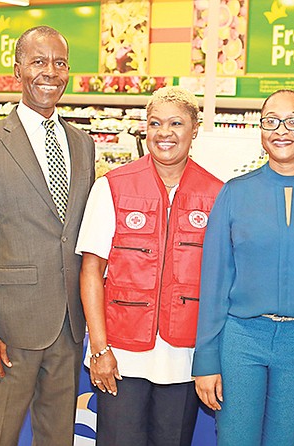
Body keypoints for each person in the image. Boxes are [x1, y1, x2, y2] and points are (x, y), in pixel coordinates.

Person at [0, 26, 95, 445]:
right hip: (8, 329)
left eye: (59, 62)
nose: (49, 72)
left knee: (58, 437)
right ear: (17, 69)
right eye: (38, 61)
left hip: (69, 327)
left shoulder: (83, 144)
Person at [193, 89, 294, 446]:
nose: (282, 130)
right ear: (261, 129)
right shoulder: (234, 193)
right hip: (241, 339)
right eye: (271, 121)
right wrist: (205, 358)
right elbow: (215, 282)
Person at [76, 86, 222, 446]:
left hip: (184, 355)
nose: (165, 133)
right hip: (122, 353)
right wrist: (99, 349)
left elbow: (222, 283)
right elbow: (91, 271)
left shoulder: (218, 193)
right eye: (155, 123)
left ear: (195, 129)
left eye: (176, 123)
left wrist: (211, 357)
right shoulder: (112, 186)